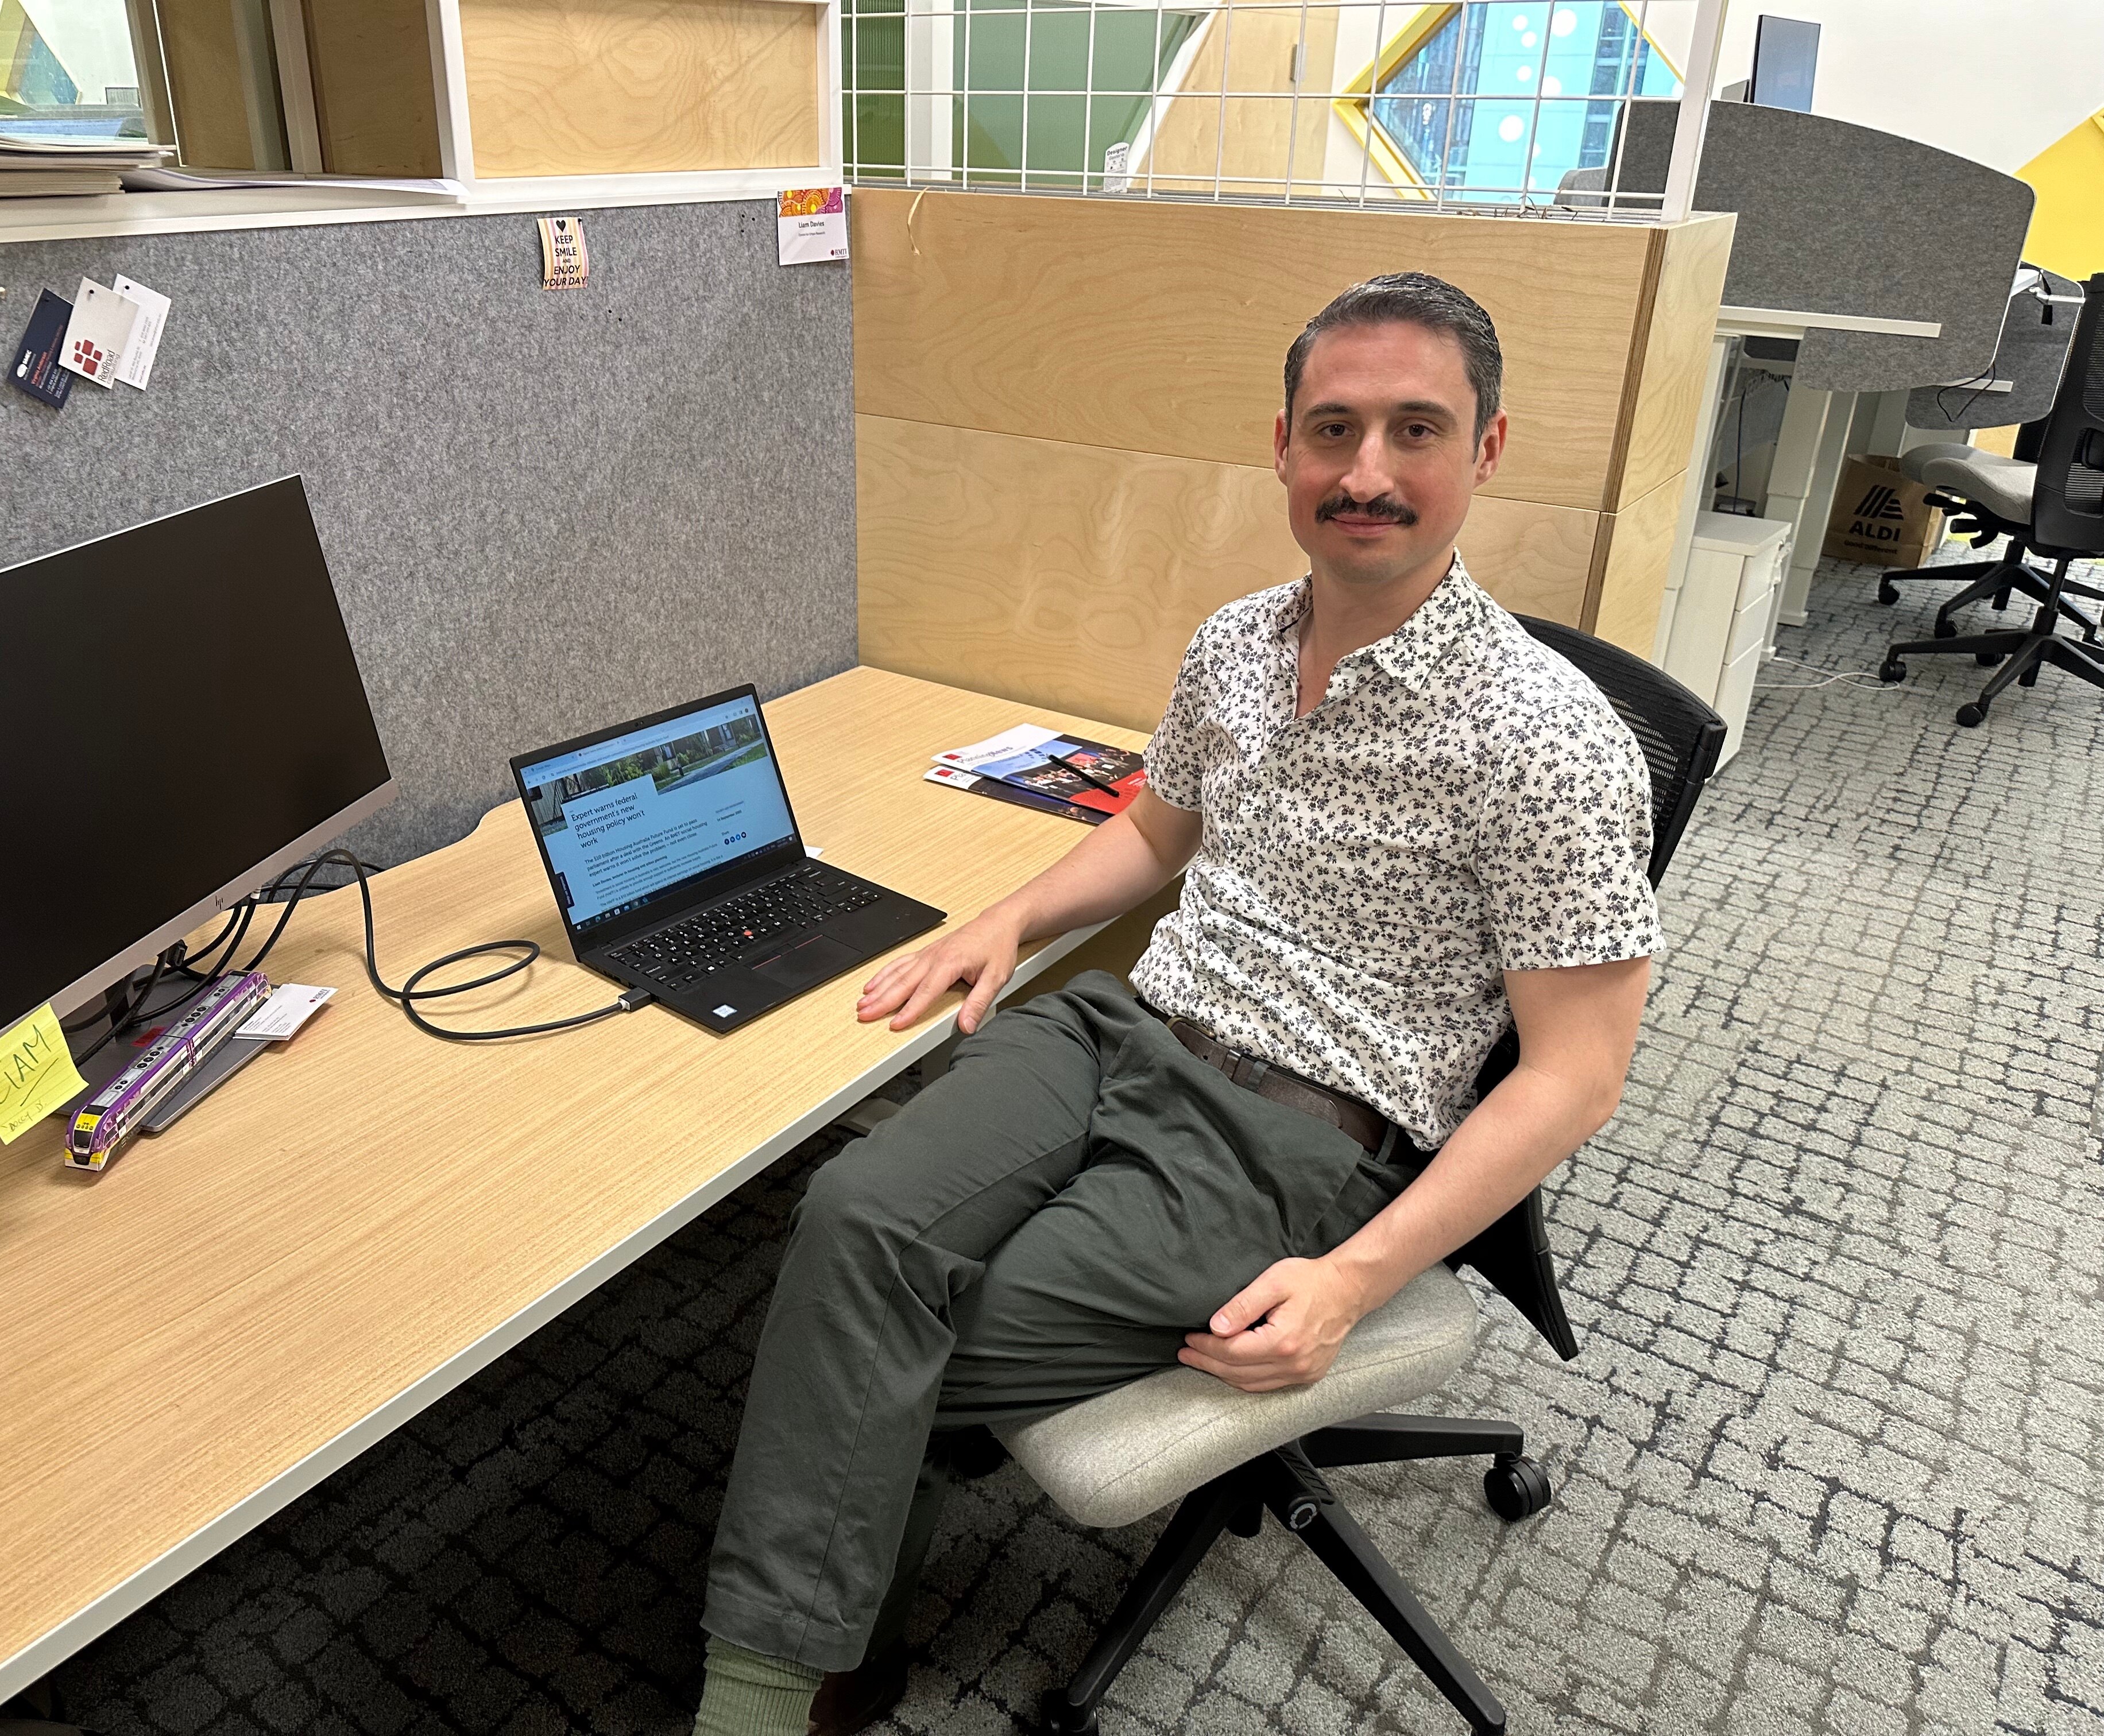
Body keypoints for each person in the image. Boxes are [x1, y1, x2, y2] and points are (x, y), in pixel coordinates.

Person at [691, 272, 1663, 1736]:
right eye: (1333, 429)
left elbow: (1577, 1075)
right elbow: (1162, 830)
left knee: (914, 1333)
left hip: (1298, 1134)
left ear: (1490, 450)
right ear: (1281, 445)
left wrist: (1351, 1280)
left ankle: (784, 1691)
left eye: (1417, 429)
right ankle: (815, 1671)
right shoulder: (1240, 642)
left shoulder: (1550, 745)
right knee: (853, 1222)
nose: (1368, 473)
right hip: (1127, 1028)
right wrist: (1010, 919)